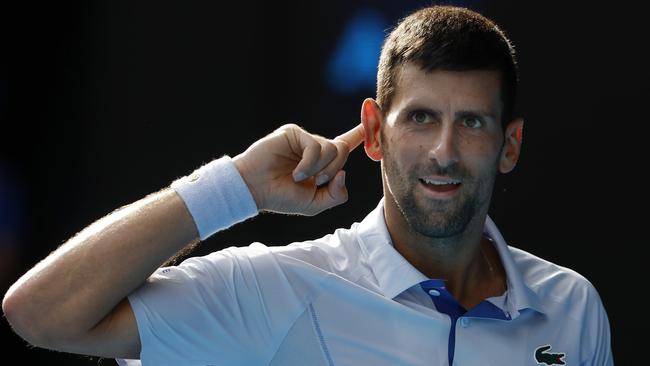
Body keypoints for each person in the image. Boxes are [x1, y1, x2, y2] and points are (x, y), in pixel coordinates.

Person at [2, 5, 613, 366]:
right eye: (420, 118)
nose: (444, 151)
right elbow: (41, 313)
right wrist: (236, 184)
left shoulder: (574, 308)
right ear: (373, 133)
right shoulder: (275, 290)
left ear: (510, 145)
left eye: (472, 123)